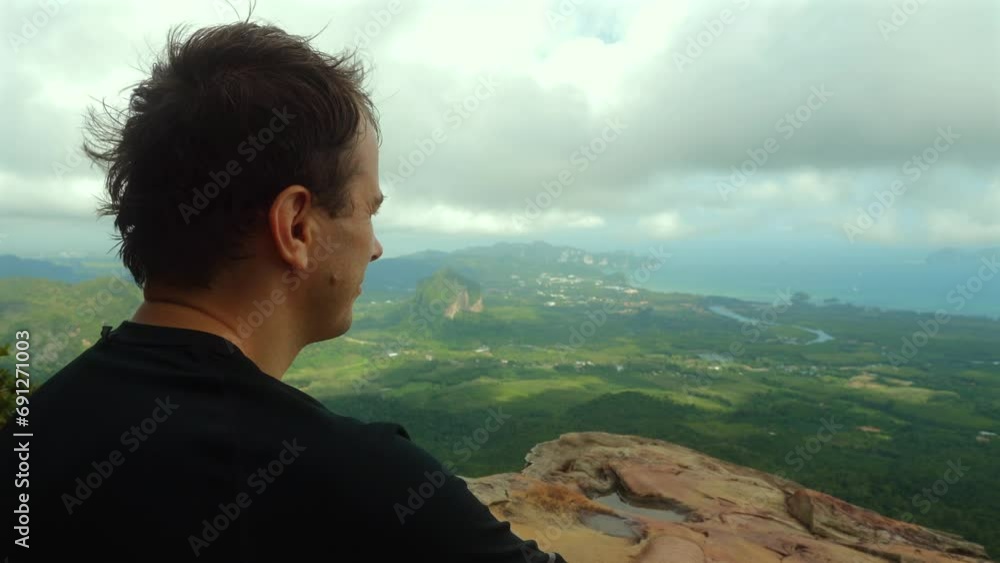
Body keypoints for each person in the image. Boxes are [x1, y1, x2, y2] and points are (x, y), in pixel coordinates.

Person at [0, 16, 566, 563]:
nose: (376, 247)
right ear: (297, 227)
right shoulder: (371, 485)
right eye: (369, 210)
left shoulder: (29, 435)